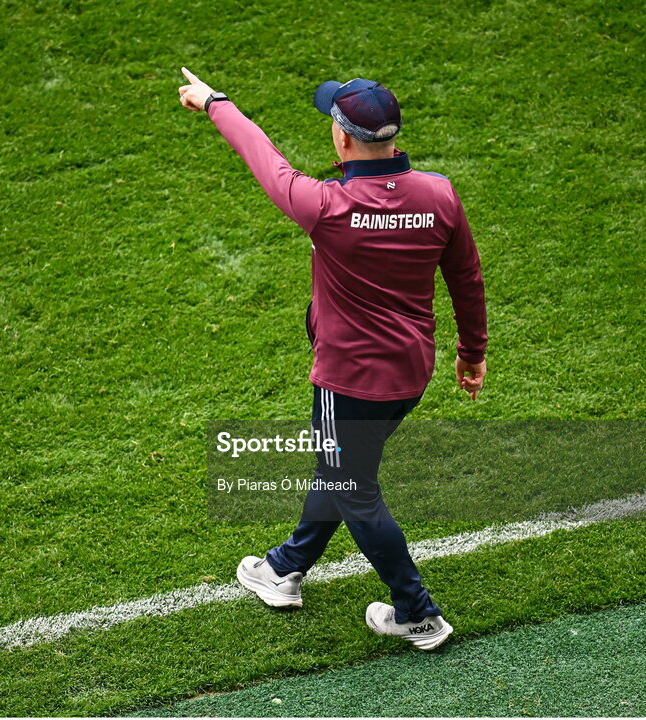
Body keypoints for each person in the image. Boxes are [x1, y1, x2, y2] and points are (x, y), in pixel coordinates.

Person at [177, 68, 487, 651]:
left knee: (353, 485)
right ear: (393, 138)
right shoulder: (439, 194)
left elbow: (263, 157)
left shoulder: (325, 205)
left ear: (343, 140)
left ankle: (417, 612)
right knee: (345, 468)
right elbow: (466, 279)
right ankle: (284, 569)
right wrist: (472, 354)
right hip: (410, 372)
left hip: (348, 380)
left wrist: (214, 101)